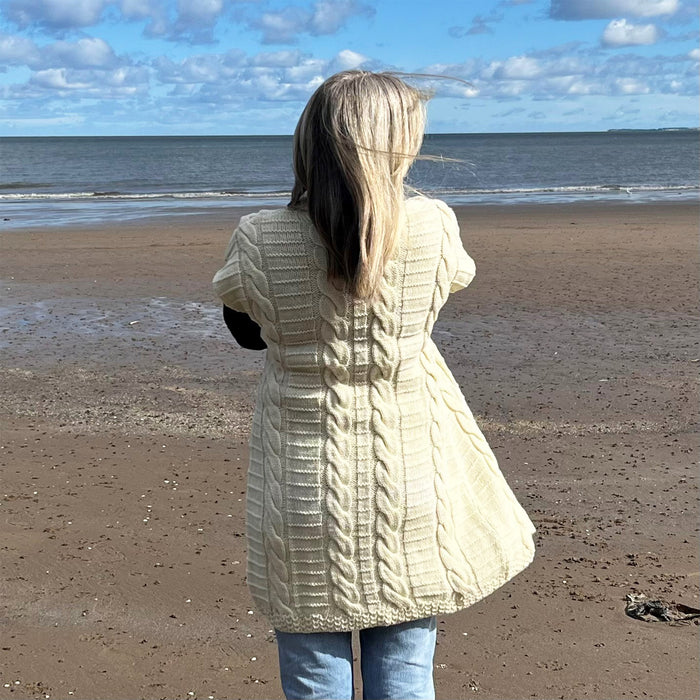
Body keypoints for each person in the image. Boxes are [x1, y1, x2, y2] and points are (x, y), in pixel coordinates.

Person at [212, 70, 536, 700]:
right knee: (407, 670)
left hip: (303, 489)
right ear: (401, 144)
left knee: (313, 672)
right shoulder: (433, 227)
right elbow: (448, 284)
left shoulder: (259, 237)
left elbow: (246, 329)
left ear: (310, 143)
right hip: (409, 475)